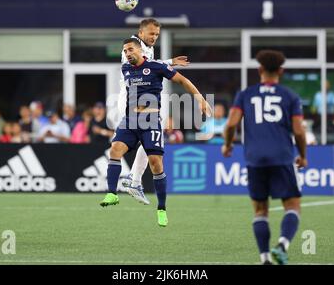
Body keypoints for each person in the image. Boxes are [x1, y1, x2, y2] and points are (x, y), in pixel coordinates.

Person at [99, 38, 212, 228]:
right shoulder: (126, 69)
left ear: (140, 51)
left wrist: (200, 99)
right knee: (115, 149)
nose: (127, 53)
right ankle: (112, 193)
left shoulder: (156, 67)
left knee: (155, 164)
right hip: (130, 120)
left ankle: (161, 209)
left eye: (130, 49)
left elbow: (183, 80)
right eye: (125, 51)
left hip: (150, 121)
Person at [222, 50, 307, 265]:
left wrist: (228, 145)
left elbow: (231, 124)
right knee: (292, 206)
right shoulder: (290, 96)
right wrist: (303, 155)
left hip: (255, 158)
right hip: (282, 157)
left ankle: (264, 258)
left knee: (260, 211)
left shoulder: (245, 94)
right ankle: (282, 245)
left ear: (259, 69)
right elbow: (298, 131)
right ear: (281, 71)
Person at [118, 18, 190, 205]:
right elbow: (142, 66)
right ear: (141, 33)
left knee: (153, 139)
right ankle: (133, 180)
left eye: (157, 34)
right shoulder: (131, 46)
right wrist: (169, 63)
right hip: (130, 100)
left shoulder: (146, 48)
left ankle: (133, 179)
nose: (154, 37)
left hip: (142, 101)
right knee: (151, 139)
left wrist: (170, 62)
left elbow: (150, 64)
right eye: (151, 33)